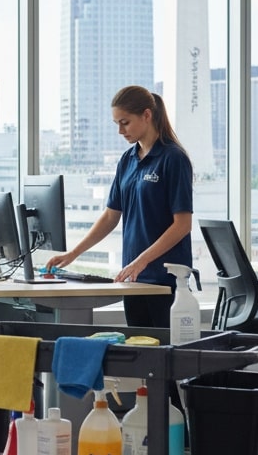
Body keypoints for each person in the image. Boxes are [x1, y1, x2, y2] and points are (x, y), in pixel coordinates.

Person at [45, 85, 193, 328]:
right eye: (116, 124)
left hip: (165, 280)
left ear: (146, 115)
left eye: (125, 123)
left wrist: (141, 261)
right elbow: (110, 216)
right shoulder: (128, 159)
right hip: (134, 278)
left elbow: (183, 225)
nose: (120, 131)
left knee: (165, 348)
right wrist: (73, 254)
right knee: (138, 345)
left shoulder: (173, 158)